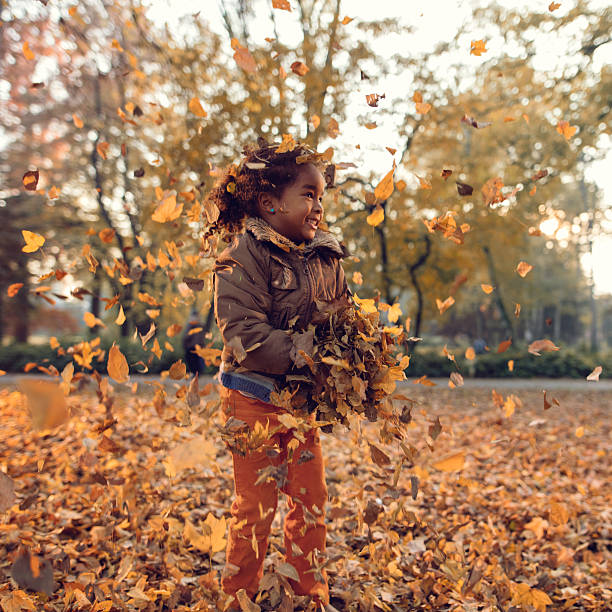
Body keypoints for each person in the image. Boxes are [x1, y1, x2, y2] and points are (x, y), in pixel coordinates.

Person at [207, 141, 347, 611]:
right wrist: (310, 355)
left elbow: (339, 317)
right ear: (270, 203)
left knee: (311, 501)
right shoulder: (242, 257)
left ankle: (310, 596)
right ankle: (237, 596)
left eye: (321, 195)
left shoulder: (326, 256)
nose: (318, 205)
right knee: (255, 506)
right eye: (308, 194)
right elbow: (243, 333)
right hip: (252, 402)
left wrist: (355, 351)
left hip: (300, 404)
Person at [182, 308, 206, 375]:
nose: (194, 318)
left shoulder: (200, 326)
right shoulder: (190, 326)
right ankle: (194, 373)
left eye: (196, 316)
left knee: (196, 361)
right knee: (191, 361)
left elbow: (201, 337)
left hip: (196, 347)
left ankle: (196, 373)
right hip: (190, 347)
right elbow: (185, 337)